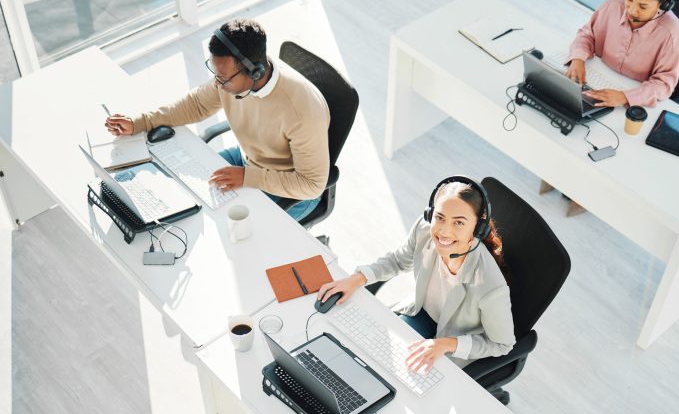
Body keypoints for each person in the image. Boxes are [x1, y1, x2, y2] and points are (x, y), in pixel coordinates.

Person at [104, 18, 330, 221]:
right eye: (215, 75)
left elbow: (311, 185)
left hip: (290, 188)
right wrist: (141, 122)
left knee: (227, 227)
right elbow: (196, 104)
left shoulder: (302, 111)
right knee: (180, 185)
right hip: (248, 160)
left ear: (256, 72)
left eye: (223, 78)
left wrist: (249, 177)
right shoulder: (229, 80)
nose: (217, 85)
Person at [317, 177, 516, 372]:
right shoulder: (424, 230)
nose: (444, 232)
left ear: (478, 228)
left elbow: (502, 344)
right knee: (372, 355)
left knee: (407, 376)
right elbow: (397, 260)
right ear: (430, 214)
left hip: (456, 338)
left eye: (459, 223)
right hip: (421, 312)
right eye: (440, 218)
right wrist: (356, 279)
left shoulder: (491, 286)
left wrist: (447, 344)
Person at [565, 0, 679, 108]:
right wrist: (578, 59)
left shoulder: (672, 33)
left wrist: (625, 97)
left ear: (664, 4)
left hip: (634, 94)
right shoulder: (613, 4)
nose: (632, 10)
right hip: (596, 75)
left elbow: (664, 84)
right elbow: (587, 35)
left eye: (643, 6)